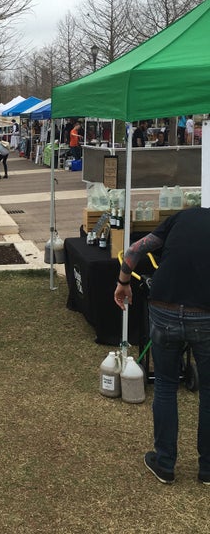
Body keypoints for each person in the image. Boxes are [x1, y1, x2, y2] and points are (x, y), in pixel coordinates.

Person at [113, 207, 210, 485]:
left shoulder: (182, 217)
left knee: (166, 385)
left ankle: (165, 463)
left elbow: (135, 249)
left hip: (164, 308)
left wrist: (123, 282)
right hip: (206, 315)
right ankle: (208, 469)